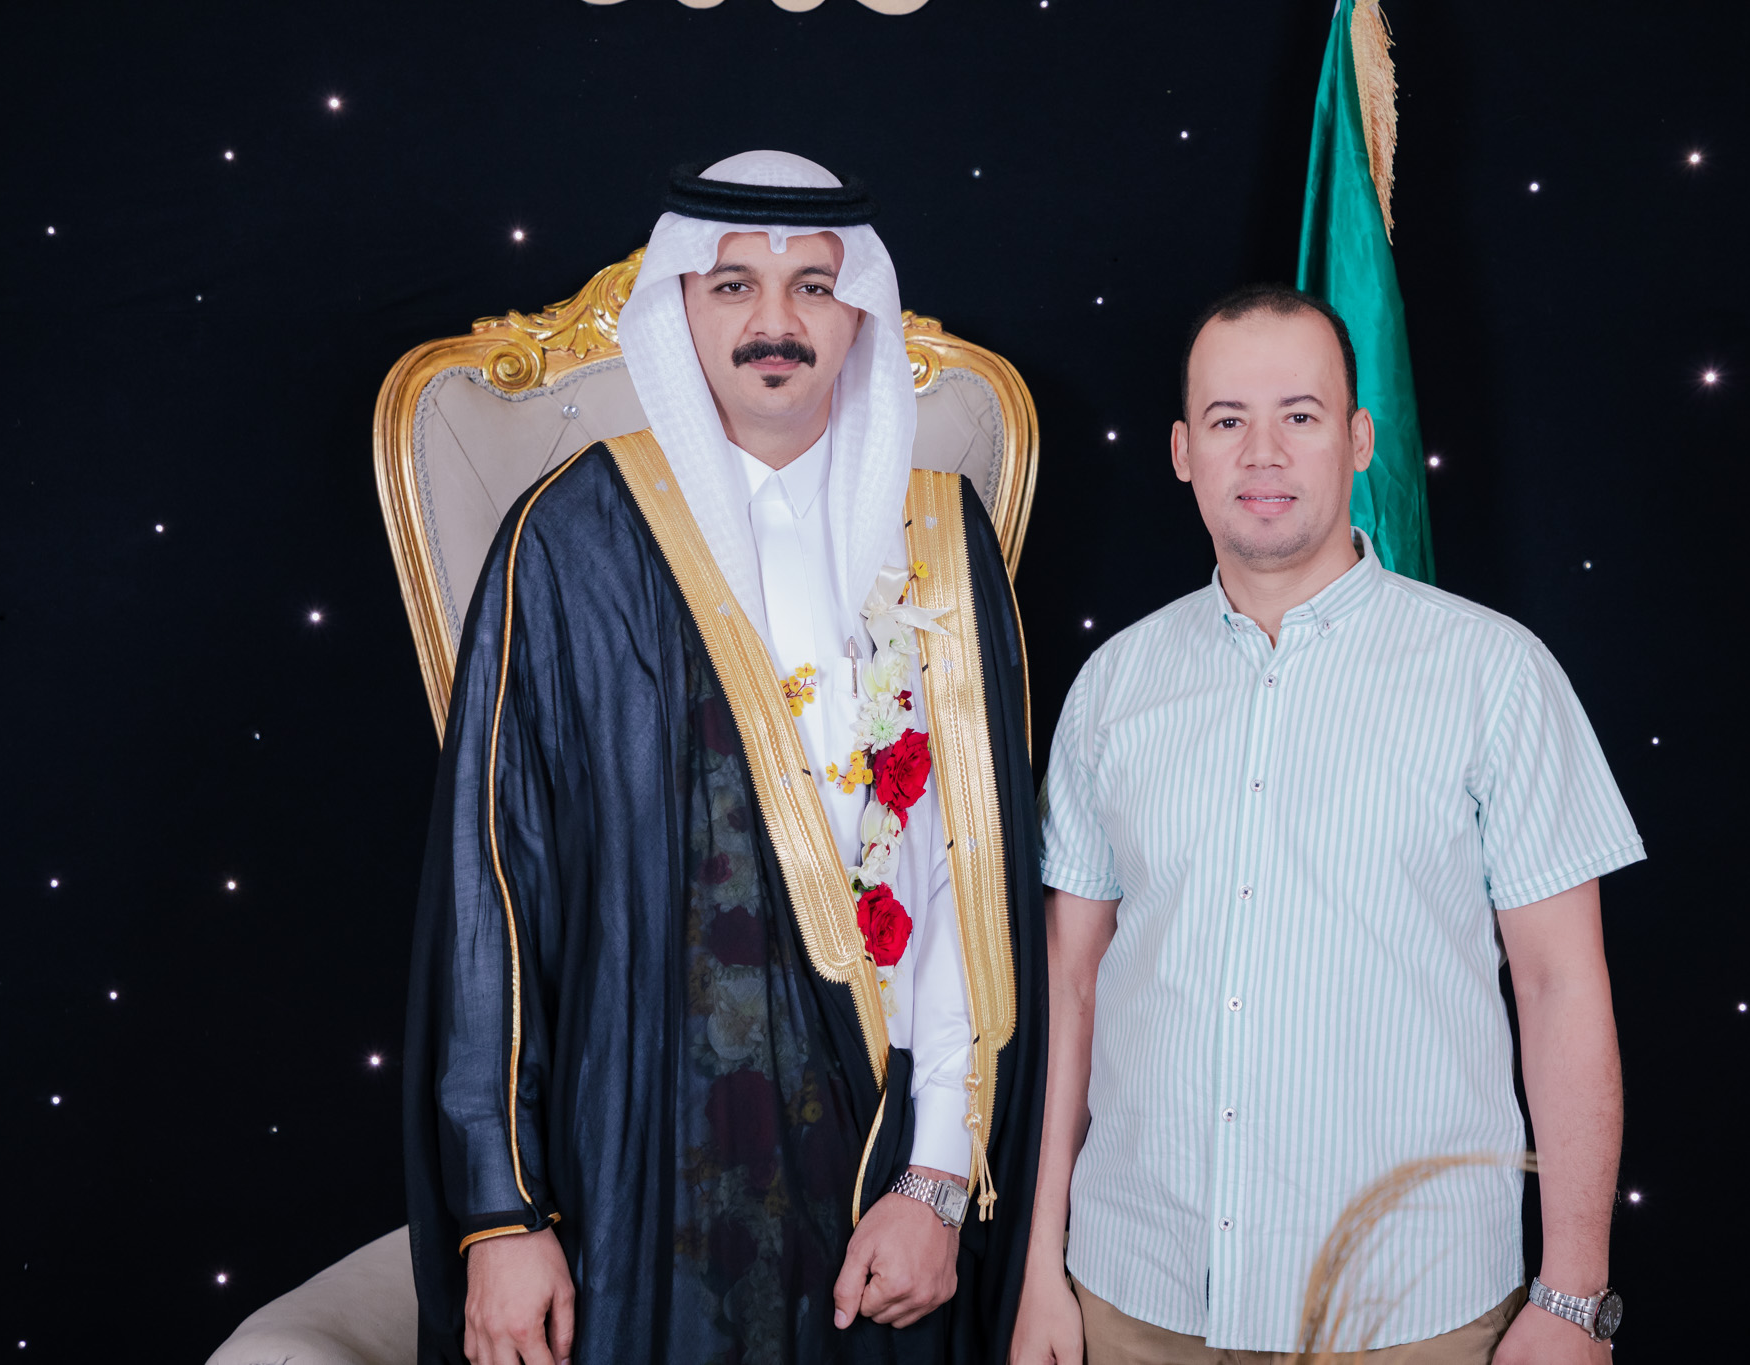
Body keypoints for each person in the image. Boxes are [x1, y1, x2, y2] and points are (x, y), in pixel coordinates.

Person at [403, 150, 1045, 1365]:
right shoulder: (571, 541)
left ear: (860, 311)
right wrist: (501, 1212)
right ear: (679, 309)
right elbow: (495, 891)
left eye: (813, 286)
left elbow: (971, 888)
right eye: (733, 284)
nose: (774, 323)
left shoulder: (937, 534)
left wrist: (936, 1179)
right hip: (641, 1157)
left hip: (884, 1177)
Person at [1012, 286, 1642, 1365]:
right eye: (1227, 419)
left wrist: (1574, 1296)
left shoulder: (1494, 675)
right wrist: (1038, 1270)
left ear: (1358, 439)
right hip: (1134, 1300)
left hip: (1410, 1316)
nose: (1262, 452)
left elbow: (1560, 987)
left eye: (1298, 415)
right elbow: (1068, 989)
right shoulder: (1112, 686)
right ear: (1182, 451)